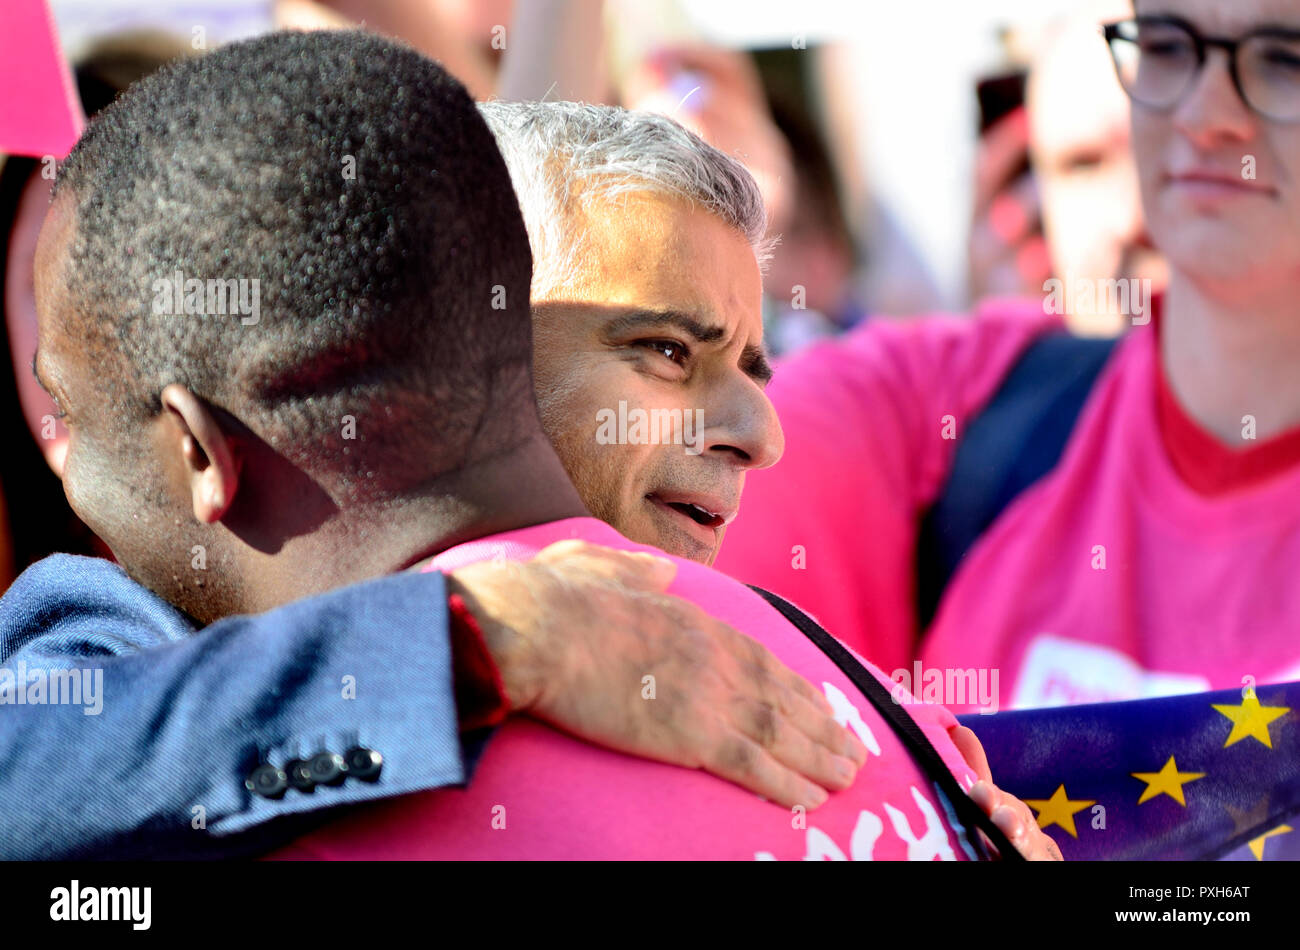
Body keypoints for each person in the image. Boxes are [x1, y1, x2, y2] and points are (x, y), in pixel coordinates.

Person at [26, 29, 1048, 859]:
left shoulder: (857, 706)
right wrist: (489, 632)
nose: (761, 434)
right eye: (661, 349)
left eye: (751, 365)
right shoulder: (135, 644)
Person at [717, 0, 1300, 711]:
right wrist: (688, 242)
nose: (1206, 115)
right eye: (1169, 45)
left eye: (1284, 57)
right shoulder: (951, 408)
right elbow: (595, 513)